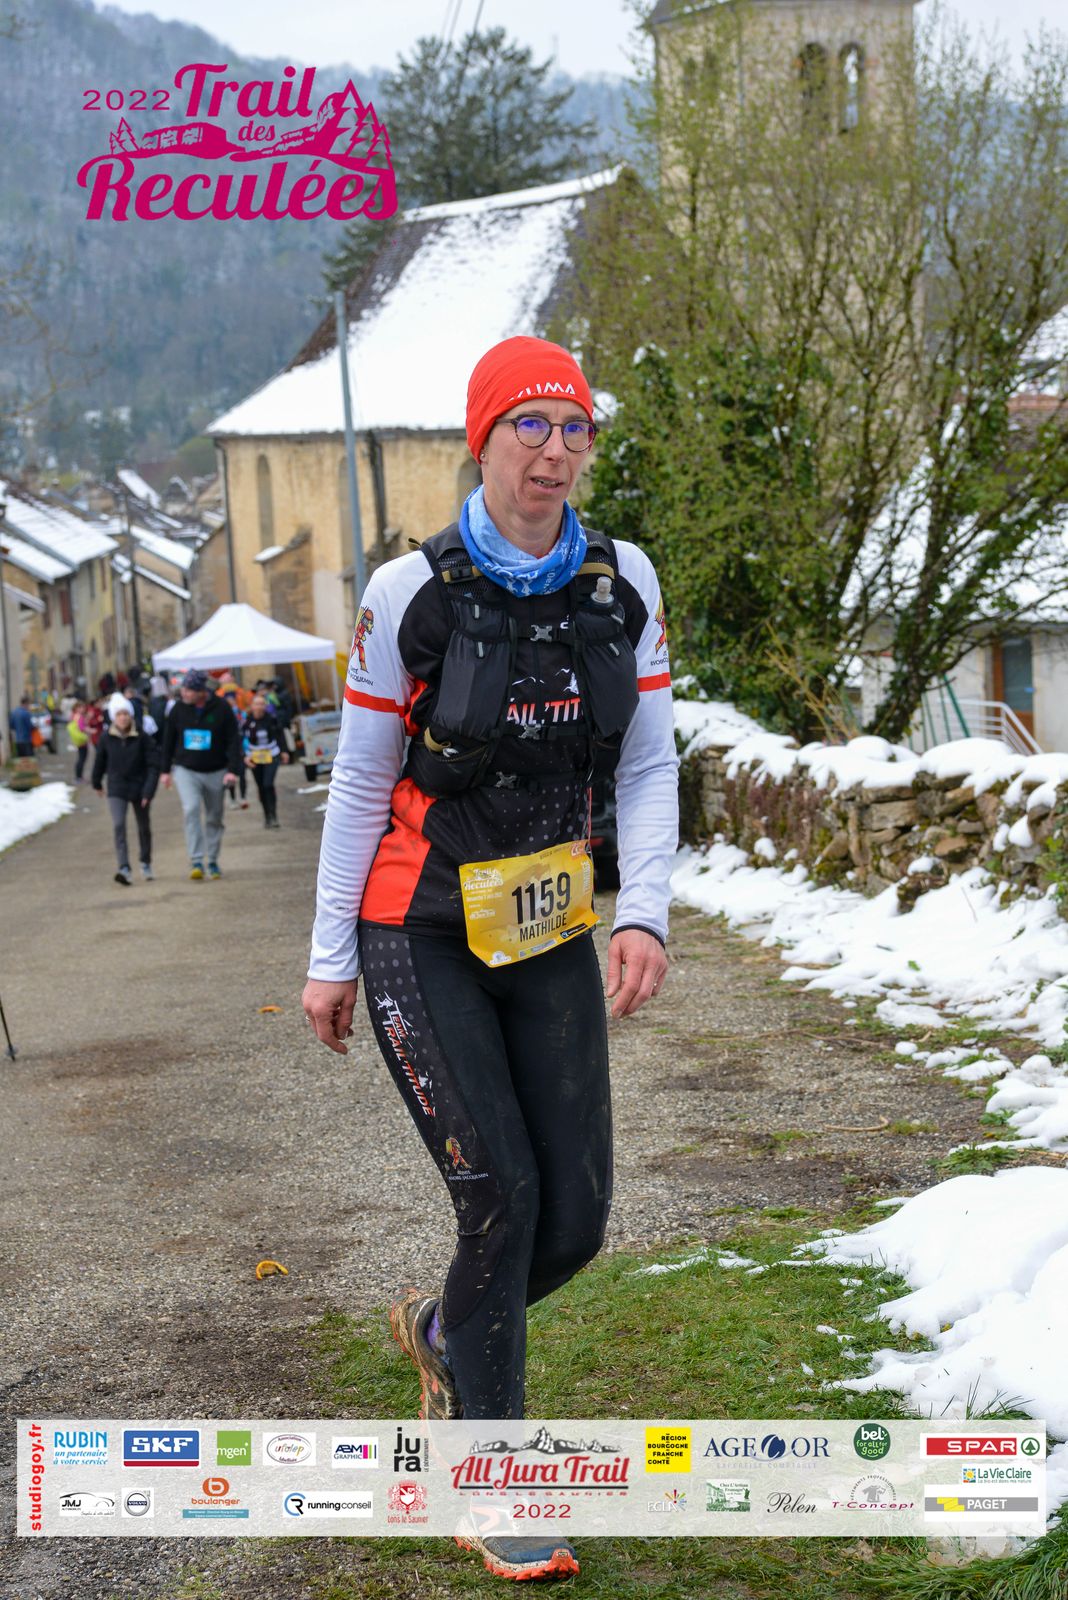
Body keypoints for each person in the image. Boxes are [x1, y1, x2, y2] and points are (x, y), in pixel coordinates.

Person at [302, 336, 678, 1584]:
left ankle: (443, 1332)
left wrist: (644, 911)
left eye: (574, 428)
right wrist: (328, 957)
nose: (554, 451)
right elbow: (360, 779)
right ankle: (493, 1484)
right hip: (417, 927)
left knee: (573, 1220)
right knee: (501, 1197)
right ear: (483, 439)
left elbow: (648, 762)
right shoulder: (410, 594)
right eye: (529, 425)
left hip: (548, 924)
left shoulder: (624, 582)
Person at [159, 668, 242, 881]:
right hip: (186, 770)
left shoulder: (222, 708)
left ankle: (212, 860)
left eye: (188, 690)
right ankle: (196, 860)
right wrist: (165, 770)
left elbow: (233, 740)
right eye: (183, 689)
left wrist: (233, 770)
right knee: (191, 809)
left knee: (215, 816)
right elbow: (168, 740)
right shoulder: (178, 709)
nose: (184, 693)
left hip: (216, 770)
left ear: (201, 691)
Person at [91, 692, 160, 884]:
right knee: (118, 824)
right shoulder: (106, 738)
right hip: (117, 787)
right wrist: (96, 782)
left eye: (125, 714)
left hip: (140, 787)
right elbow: (99, 762)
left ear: (131, 715)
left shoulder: (142, 737)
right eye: (119, 714)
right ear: (114, 717)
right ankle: (124, 867)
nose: (123, 718)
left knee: (143, 826)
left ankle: (145, 862)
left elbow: (153, 765)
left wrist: (148, 791)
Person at [243, 691, 288, 828]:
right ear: (252, 706)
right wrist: (244, 756)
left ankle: (274, 815)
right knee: (261, 787)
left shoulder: (271, 719)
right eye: (257, 704)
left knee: (268, 784)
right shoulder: (246, 721)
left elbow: (280, 735)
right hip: (254, 756)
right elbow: (240, 739)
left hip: (271, 754)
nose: (259, 707)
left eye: (262, 704)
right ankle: (267, 815)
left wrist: (284, 751)